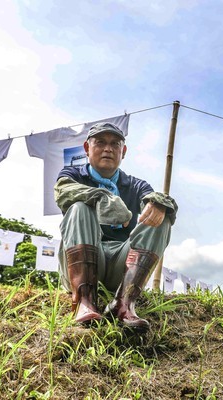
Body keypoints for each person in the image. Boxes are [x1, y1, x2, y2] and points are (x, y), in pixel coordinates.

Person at [54, 122, 177, 331]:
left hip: (122, 264)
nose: (108, 149)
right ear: (87, 148)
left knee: (160, 215)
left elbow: (156, 198)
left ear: (123, 151)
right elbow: (63, 192)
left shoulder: (136, 185)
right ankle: (84, 301)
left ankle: (124, 304)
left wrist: (158, 204)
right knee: (79, 207)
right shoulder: (72, 175)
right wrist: (103, 197)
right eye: (100, 143)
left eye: (114, 144)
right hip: (87, 260)